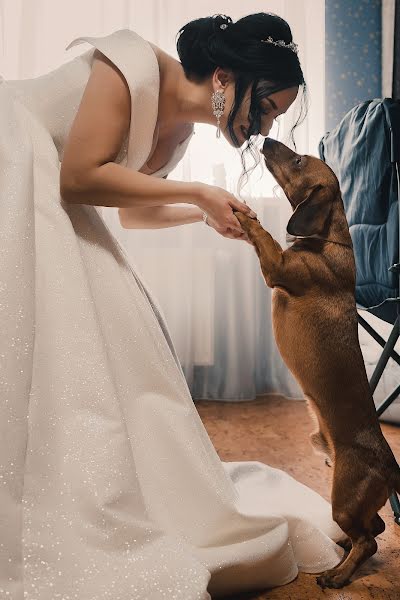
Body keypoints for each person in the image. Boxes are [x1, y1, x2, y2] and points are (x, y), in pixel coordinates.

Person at [0, 12, 346, 600]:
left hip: (54, 192)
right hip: (16, 162)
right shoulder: (129, 65)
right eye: (264, 108)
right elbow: (80, 178)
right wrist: (195, 191)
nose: (263, 127)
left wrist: (203, 215)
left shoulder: (180, 136)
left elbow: (133, 211)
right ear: (224, 76)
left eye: (275, 117)